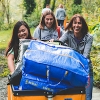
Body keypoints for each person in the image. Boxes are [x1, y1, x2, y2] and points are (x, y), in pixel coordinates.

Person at [59, 14, 93, 100]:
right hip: (72, 69)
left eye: (79, 23)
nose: (76, 25)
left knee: (87, 96)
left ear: (83, 25)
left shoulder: (89, 37)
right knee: (72, 95)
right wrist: (53, 42)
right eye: (75, 23)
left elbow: (85, 56)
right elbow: (59, 44)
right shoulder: (68, 34)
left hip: (86, 70)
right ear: (71, 24)